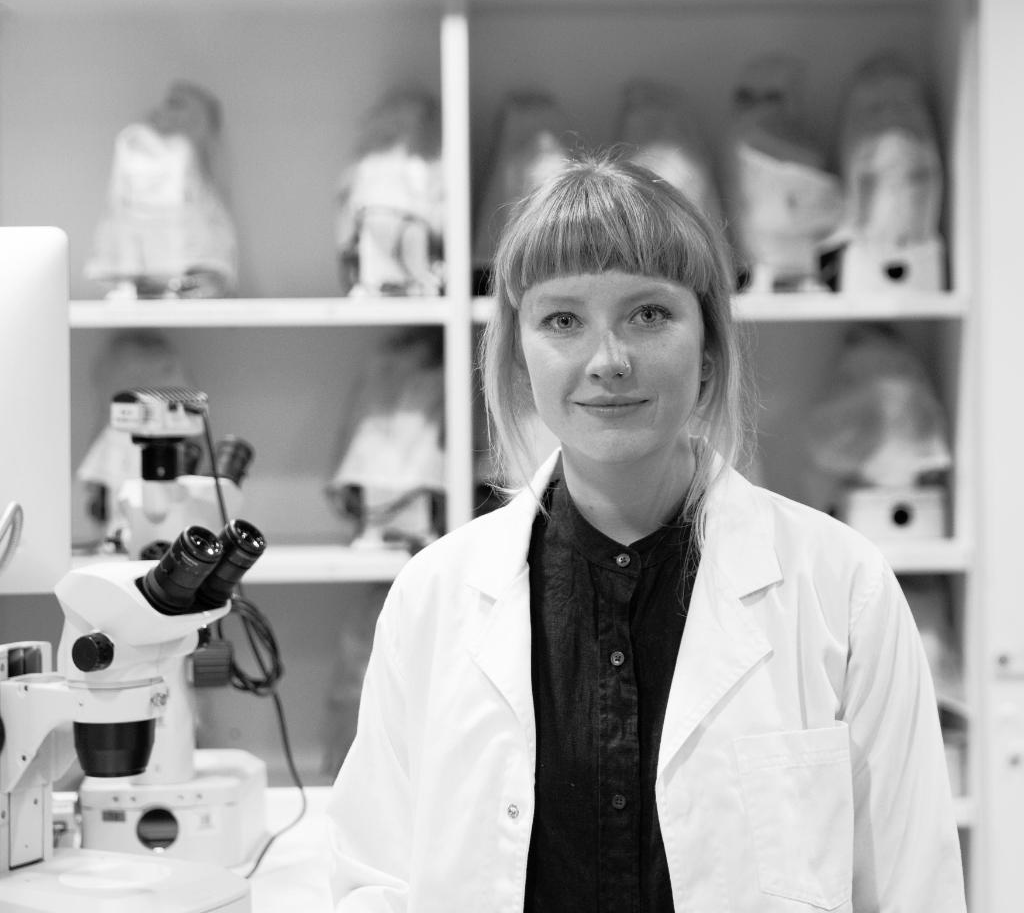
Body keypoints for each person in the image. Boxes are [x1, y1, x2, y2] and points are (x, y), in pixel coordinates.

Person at [326, 152, 967, 912]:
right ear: (518, 354)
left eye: (649, 314)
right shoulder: (432, 599)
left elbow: (912, 887)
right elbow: (374, 881)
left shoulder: (841, 588)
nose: (608, 360)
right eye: (563, 320)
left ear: (707, 351)